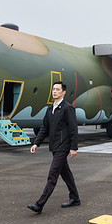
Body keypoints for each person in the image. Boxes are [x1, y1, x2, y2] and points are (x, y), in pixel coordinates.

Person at [28, 81, 80, 214]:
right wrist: (36, 143)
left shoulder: (67, 108)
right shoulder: (49, 109)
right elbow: (44, 128)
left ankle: (40, 204)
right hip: (55, 146)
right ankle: (75, 198)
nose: (54, 91)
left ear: (63, 92)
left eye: (57, 89)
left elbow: (73, 128)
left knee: (53, 175)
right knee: (66, 174)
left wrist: (73, 147)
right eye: (53, 89)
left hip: (63, 146)